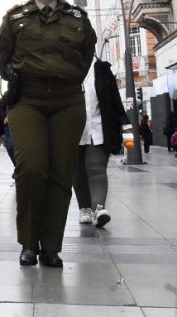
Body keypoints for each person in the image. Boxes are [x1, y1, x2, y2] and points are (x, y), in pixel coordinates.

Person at [0, 0, 96, 268]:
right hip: (28, 99)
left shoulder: (77, 18)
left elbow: (86, 54)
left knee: (61, 174)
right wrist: (17, 76)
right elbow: (1, 56)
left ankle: (51, 246)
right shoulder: (15, 19)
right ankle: (28, 242)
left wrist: (67, 77)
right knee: (32, 167)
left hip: (67, 100)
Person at [74, 59, 132, 230]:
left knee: (96, 168)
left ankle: (98, 208)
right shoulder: (67, 67)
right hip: (72, 129)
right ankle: (84, 208)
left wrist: (125, 124)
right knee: (77, 171)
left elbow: (115, 98)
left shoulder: (102, 70)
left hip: (99, 128)